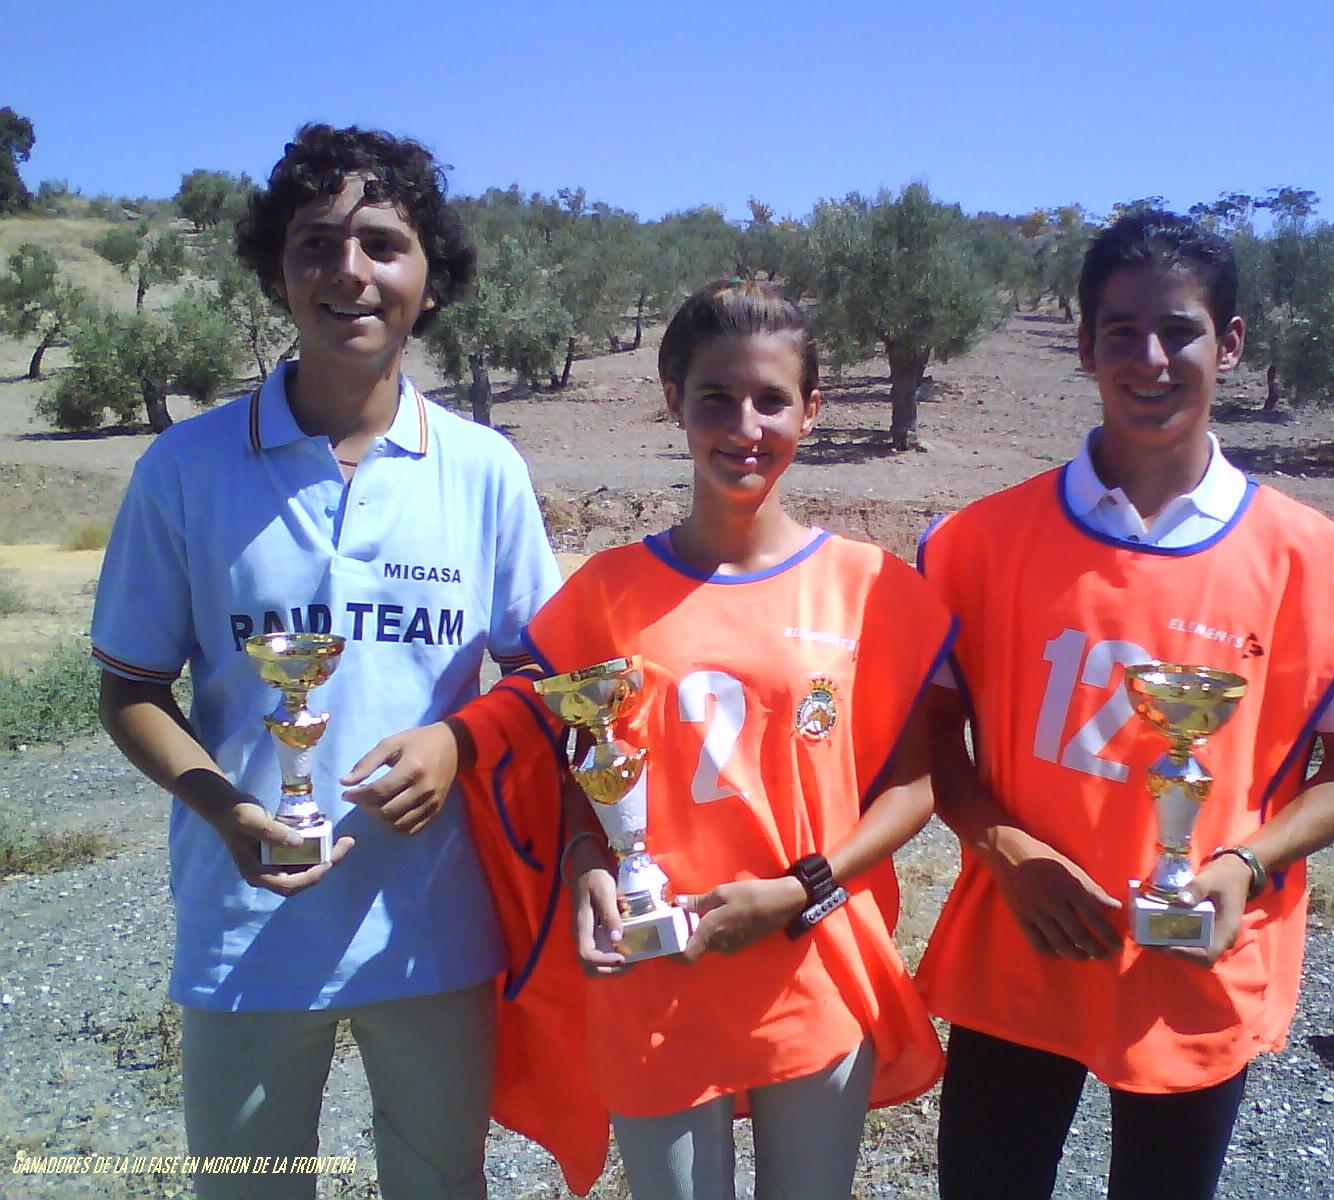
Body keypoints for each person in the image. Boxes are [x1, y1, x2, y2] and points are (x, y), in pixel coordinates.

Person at [356, 280, 953, 1199]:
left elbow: (915, 786)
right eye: (716, 397)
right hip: (652, 970)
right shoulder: (604, 592)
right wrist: (585, 862)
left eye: (771, 400)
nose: (744, 426)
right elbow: (579, 768)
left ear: (811, 410)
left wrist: (799, 888)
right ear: (674, 399)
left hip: (807, 954)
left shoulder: (873, 588)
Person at [91, 123, 561, 1199]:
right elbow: (130, 688)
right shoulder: (187, 466)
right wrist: (220, 807)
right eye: (315, 243)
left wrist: (458, 740)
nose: (349, 271)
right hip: (244, 926)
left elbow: (543, 675)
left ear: (430, 279)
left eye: (383, 244)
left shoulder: (483, 469)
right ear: (277, 271)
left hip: (433, 931)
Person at [917, 210, 1334, 1200]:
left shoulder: (1301, 556)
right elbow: (930, 742)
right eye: (1121, 332)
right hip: (1024, 944)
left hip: (1196, 962)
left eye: (1179, 330)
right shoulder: (980, 540)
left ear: (1229, 343)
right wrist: (1008, 851)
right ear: (1085, 345)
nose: (1149, 359)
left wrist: (1241, 866)